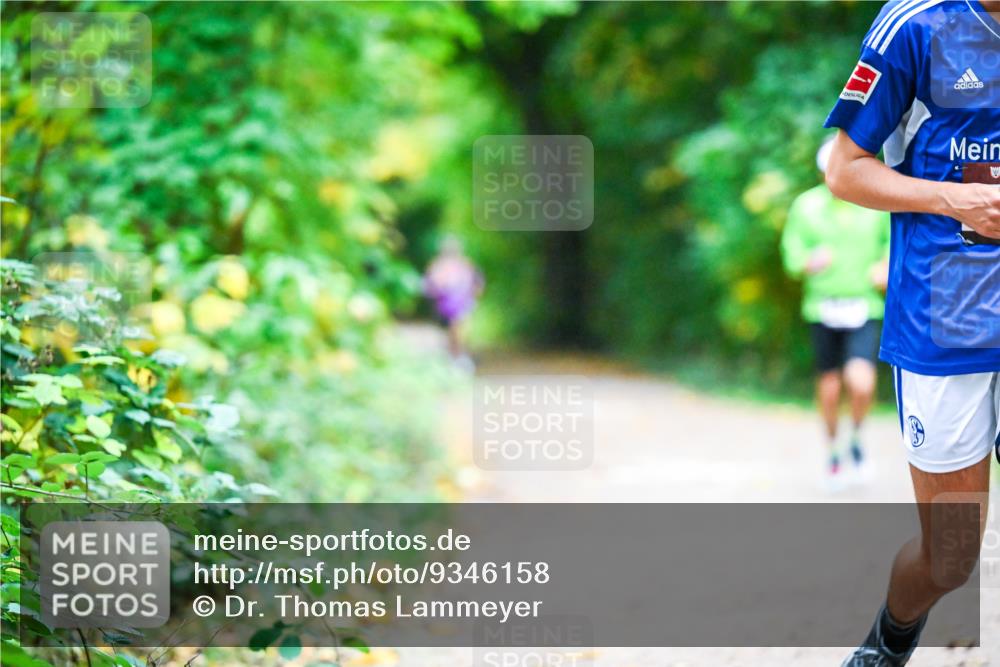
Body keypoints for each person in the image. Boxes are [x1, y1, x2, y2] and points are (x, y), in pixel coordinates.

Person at [823, 0, 999, 664]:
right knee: (950, 557)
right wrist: (955, 197)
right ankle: (886, 644)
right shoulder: (916, 24)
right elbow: (843, 168)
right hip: (945, 318)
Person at [782, 137, 891, 491]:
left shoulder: (874, 205)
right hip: (823, 306)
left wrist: (885, 266)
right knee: (829, 388)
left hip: (864, 305)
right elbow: (792, 253)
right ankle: (832, 452)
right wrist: (807, 262)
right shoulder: (806, 206)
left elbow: (892, 245)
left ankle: (857, 438)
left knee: (861, 381)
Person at [423, 234, 483, 367]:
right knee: (452, 332)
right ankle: (453, 357)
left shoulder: (466, 264)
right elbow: (429, 286)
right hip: (445, 306)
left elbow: (477, 283)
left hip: (462, 304)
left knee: (461, 330)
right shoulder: (437, 266)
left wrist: (472, 295)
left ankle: (460, 356)